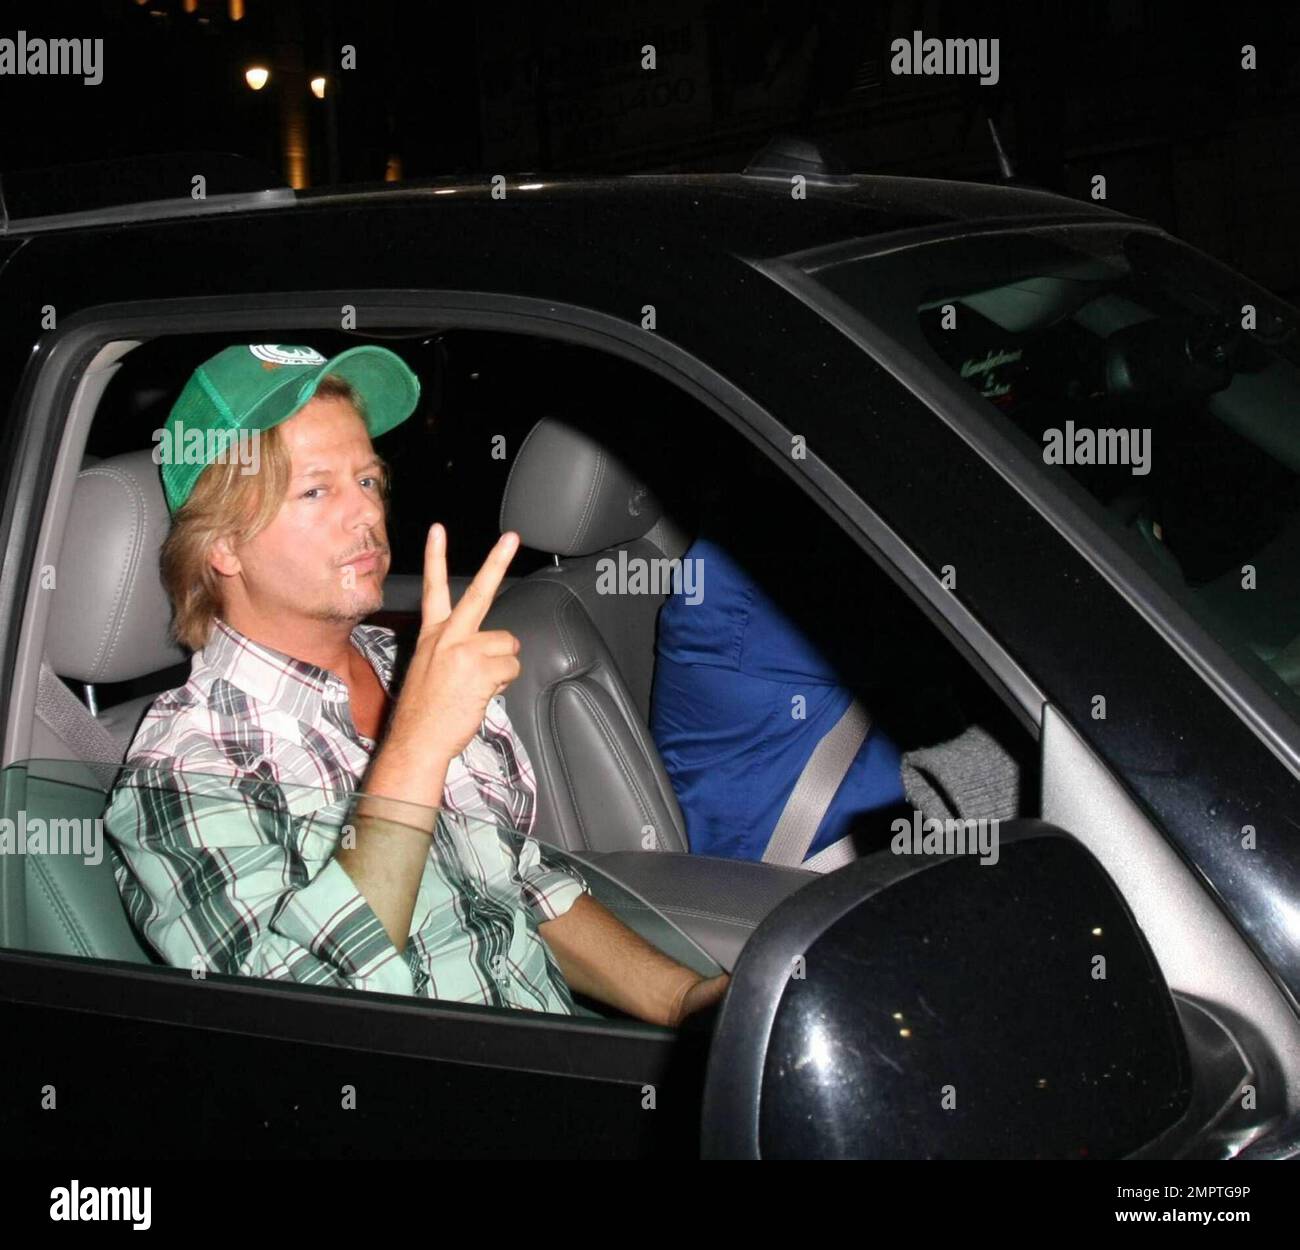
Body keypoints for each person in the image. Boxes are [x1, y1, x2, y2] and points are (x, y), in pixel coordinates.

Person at [104, 342, 727, 1026]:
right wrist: (417, 747)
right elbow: (300, 1026)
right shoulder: (184, 768)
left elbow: (518, 882)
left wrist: (682, 1000)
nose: (365, 515)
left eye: (367, 481)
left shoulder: (409, 664)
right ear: (221, 544)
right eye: (316, 489)